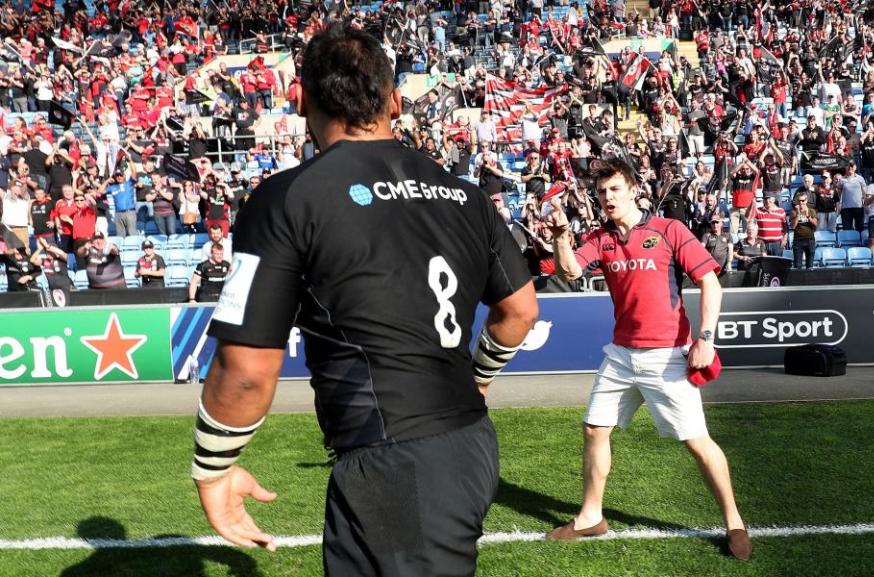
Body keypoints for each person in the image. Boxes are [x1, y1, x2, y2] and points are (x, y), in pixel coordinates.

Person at [189, 24, 537, 577]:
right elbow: (520, 312)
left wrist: (213, 467)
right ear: (395, 101)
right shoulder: (466, 196)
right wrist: (480, 376)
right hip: (471, 443)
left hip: (392, 455)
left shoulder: (289, 196)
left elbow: (247, 370)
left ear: (299, 98)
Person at [544, 158, 751, 560]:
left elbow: (710, 282)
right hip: (621, 354)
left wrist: (706, 339)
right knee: (593, 430)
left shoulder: (669, 230)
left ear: (634, 189)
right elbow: (569, 272)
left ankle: (734, 522)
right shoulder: (600, 238)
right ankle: (590, 517)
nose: (608, 198)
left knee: (697, 442)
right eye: (602, 192)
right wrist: (561, 237)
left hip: (668, 357)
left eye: (615, 189)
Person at [790, 192, 818, 269]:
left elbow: (815, 224)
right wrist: (798, 215)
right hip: (798, 240)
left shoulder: (811, 211)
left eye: (803, 200)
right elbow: (793, 226)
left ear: (806, 200)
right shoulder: (794, 212)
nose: (801, 202)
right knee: (797, 266)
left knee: (810, 266)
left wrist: (808, 216)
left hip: (810, 239)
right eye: (799, 201)